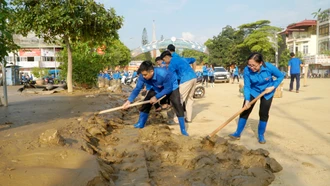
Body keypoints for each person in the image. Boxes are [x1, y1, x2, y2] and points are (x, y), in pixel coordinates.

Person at [229, 52, 284, 144]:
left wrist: (273, 86)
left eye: (254, 65)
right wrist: (247, 99)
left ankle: (261, 135)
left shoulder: (269, 67)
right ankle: (237, 133)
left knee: (263, 113)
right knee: (245, 110)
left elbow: (280, 76)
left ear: (261, 63)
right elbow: (247, 86)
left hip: (267, 91)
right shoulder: (247, 70)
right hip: (254, 91)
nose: (251, 67)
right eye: (249, 65)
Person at [122, 61, 189, 136]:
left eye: (145, 75)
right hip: (157, 87)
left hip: (171, 87)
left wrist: (156, 97)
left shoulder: (163, 74)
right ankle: (140, 123)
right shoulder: (142, 76)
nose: (143, 77)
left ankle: (183, 129)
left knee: (177, 104)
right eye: (142, 75)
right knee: (146, 103)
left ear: (151, 71)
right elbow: (137, 88)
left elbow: (168, 89)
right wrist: (129, 101)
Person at [160, 51, 197, 123]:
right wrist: (194, 71)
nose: (165, 63)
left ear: (166, 57)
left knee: (178, 99)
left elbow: (170, 77)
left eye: (164, 61)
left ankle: (176, 119)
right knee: (189, 99)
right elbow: (193, 60)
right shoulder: (181, 58)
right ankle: (188, 119)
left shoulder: (172, 63)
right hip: (194, 78)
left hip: (186, 80)